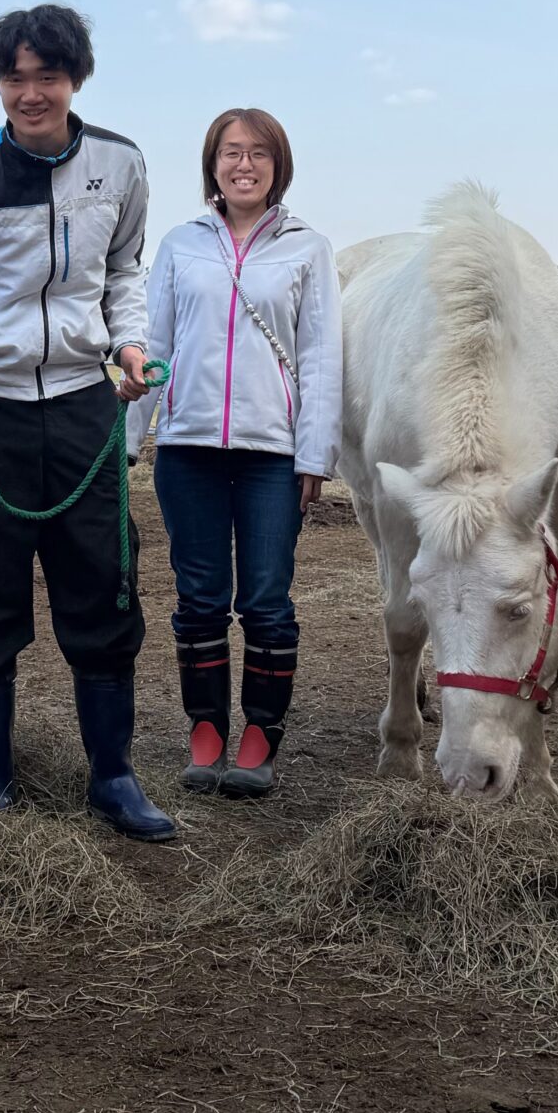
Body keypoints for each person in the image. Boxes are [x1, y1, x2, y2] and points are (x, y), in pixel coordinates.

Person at [0, 2, 174, 841]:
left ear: (76, 79)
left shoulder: (121, 164)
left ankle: (113, 775)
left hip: (83, 408)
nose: (30, 93)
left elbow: (125, 270)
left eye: (47, 77)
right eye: (14, 78)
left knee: (102, 587)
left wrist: (130, 346)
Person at [126, 109, 341, 797]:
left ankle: (261, 732)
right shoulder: (181, 245)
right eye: (229, 153)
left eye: (257, 153)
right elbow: (154, 350)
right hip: (187, 448)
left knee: (268, 600)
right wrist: (127, 441)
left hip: (272, 456)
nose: (242, 164)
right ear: (211, 164)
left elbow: (321, 358)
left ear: (278, 165)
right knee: (198, 598)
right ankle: (206, 727)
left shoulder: (308, 248)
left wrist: (314, 455)